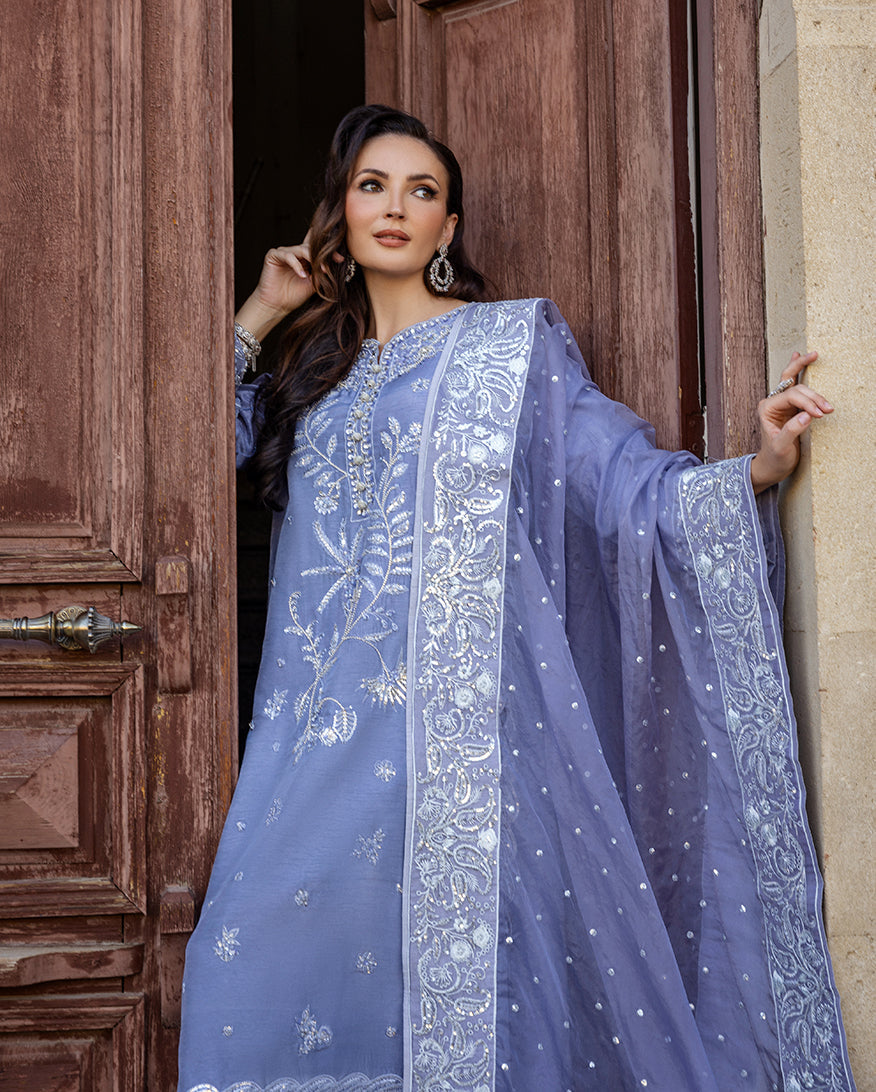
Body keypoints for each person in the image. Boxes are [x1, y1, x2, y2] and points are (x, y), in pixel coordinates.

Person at [177, 104, 854, 1092]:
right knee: (240, 971)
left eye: (421, 192)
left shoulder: (506, 352)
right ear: (341, 211)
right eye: (372, 186)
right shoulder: (311, 372)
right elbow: (184, 466)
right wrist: (260, 313)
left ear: (448, 228)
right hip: (308, 743)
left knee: (456, 1000)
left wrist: (757, 468)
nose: (395, 209)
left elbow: (617, 483)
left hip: (456, 747)